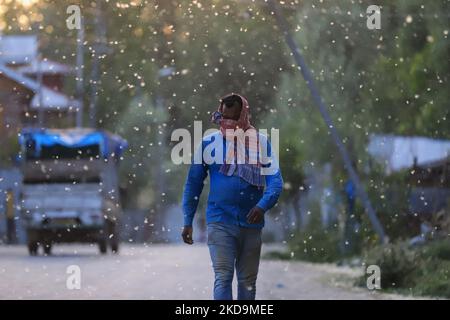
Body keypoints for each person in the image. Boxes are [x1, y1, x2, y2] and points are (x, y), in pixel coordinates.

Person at [181, 93, 283, 300]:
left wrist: (262, 205)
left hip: (252, 224)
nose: (227, 124)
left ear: (243, 116)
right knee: (223, 276)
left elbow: (275, 182)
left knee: (247, 282)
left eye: (233, 120)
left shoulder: (261, 144)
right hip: (220, 221)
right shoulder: (209, 143)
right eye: (223, 119)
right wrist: (187, 220)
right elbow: (193, 184)